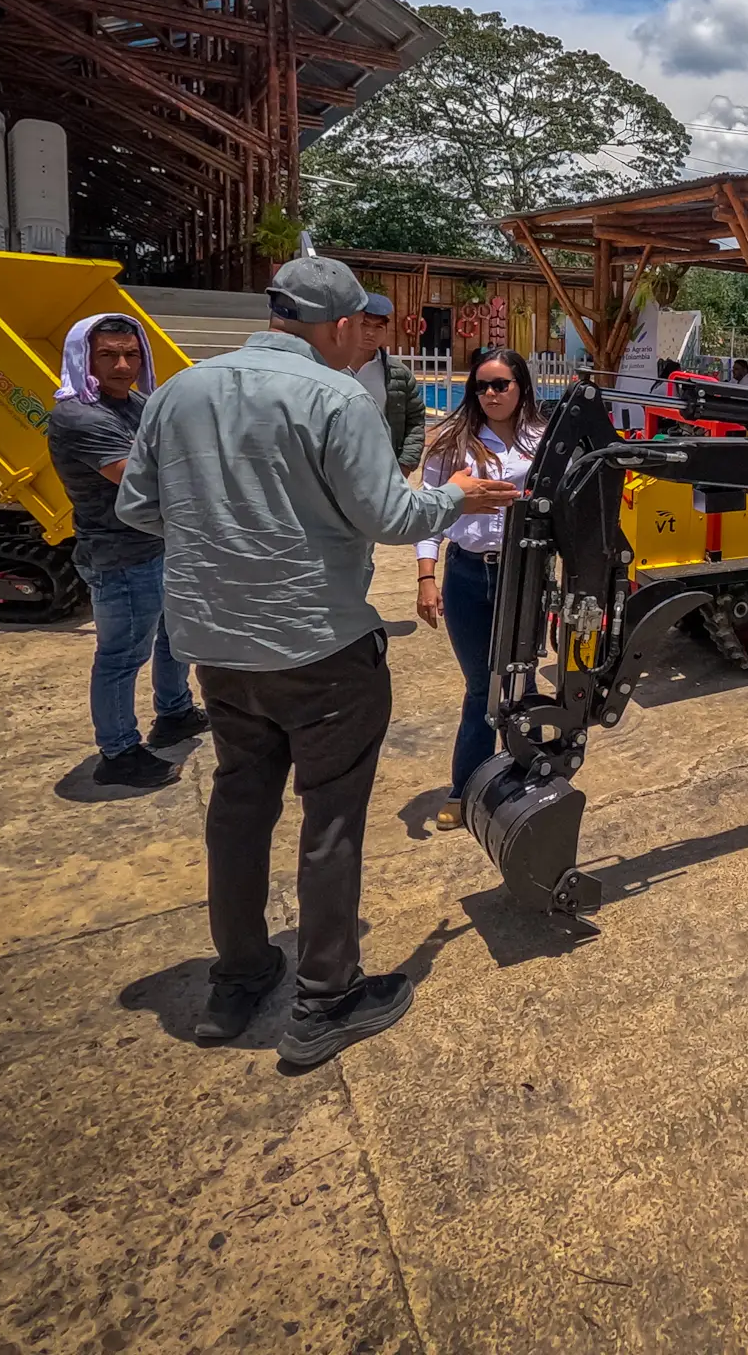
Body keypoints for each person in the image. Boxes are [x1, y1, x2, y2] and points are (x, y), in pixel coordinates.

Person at [116, 256, 519, 1067]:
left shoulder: (178, 392)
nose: (361, 348)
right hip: (320, 647)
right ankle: (325, 999)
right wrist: (460, 499)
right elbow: (390, 515)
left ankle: (238, 977)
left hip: (220, 653)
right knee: (329, 821)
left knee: (239, 808)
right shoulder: (335, 396)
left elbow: (137, 505)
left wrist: (225, 549)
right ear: (338, 326)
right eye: (359, 333)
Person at [46, 314, 207, 788]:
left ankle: (174, 711)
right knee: (121, 655)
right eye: (108, 355)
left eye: (131, 354)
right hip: (120, 554)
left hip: (159, 543)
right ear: (84, 358)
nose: (122, 365)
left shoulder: (134, 402)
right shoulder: (79, 416)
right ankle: (117, 751)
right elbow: (143, 479)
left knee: (174, 636)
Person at [415, 348, 544, 830]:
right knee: (480, 684)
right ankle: (466, 785)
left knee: (523, 678)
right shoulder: (453, 444)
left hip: (524, 571)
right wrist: (426, 577)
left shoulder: (541, 440)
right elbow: (429, 515)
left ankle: (526, 771)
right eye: (481, 386)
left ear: (521, 386)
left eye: (500, 384)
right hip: (469, 573)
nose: (490, 393)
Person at [352, 295, 426, 472]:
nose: (370, 332)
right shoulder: (329, 367)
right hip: (335, 465)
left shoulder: (398, 374)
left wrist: (405, 465)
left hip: (383, 466)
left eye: (378, 327)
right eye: (364, 324)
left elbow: (415, 420)